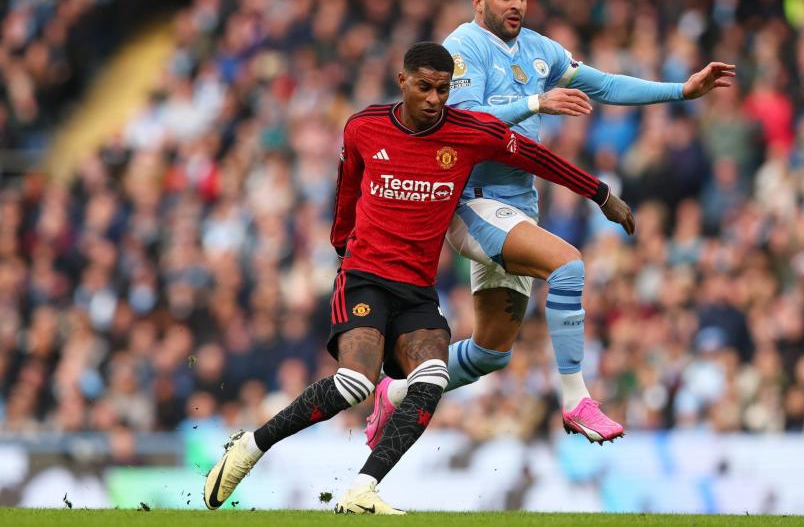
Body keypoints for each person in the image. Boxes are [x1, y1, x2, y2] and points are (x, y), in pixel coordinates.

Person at [203, 42, 634, 514]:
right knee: (353, 384)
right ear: (402, 80)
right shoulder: (363, 127)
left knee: (431, 378)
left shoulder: (470, 132)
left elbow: (537, 158)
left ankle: (362, 489)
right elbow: (346, 194)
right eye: (425, 87)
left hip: (417, 290)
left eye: (443, 90)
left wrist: (601, 193)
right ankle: (250, 447)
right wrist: (344, 249)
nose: (433, 99)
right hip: (365, 277)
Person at [365, 0, 735, 446]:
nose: (516, 4)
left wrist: (682, 90)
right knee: (568, 266)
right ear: (479, 2)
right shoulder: (462, 48)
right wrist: (537, 103)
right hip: (472, 203)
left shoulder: (540, 50)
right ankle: (576, 399)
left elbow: (603, 84)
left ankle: (391, 394)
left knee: (490, 353)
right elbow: (467, 120)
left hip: (519, 208)